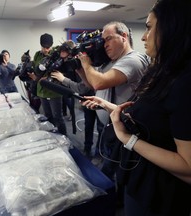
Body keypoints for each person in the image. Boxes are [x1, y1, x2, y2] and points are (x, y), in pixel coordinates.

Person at [81, 0, 191, 215]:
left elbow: (188, 166)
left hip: (159, 193)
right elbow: (146, 118)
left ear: (173, 28)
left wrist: (129, 140)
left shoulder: (184, 82)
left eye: (149, 27)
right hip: (140, 178)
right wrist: (108, 105)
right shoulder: (161, 71)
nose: (143, 36)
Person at [77, 21, 149, 175]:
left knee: (119, 170)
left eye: (109, 39)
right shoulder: (112, 62)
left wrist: (86, 63)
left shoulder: (133, 60)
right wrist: (79, 69)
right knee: (109, 164)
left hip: (126, 128)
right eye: (103, 41)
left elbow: (98, 82)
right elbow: (91, 84)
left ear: (124, 36)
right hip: (109, 124)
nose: (104, 44)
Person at [51, 40, 97, 157]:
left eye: (66, 58)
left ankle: (98, 153)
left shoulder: (83, 62)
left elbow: (83, 87)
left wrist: (63, 79)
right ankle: (88, 148)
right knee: (88, 124)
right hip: (85, 96)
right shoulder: (68, 63)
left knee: (99, 125)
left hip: (95, 95)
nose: (64, 61)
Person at [30, 33, 67, 135]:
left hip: (54, 90)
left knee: (58, 117)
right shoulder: (37, 55)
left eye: (48, 47)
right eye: (44, 47)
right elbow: (36, 70)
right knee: (48, 116)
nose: (46, 50)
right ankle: (53, 137)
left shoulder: (57, 53)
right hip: (41, 90)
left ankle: (65, 139)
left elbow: (63, 70)